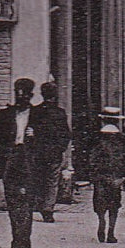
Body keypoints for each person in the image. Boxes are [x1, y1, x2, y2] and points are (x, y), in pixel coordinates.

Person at [0, 78, 61, 248]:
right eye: (18, 94)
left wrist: (36, 136)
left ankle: (25, 244)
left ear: (31, 95)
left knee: (26, 203)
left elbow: (53, 140)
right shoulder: (5, 115)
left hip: (31, 163)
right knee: (13, 203)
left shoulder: (41, 115)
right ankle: (17, 241)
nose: (21, 97)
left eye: (25, 94)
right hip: (10, 162)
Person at [31, 81, 72, 223]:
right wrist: (60, 149)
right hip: (53, 153)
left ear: (42, 94)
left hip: (38, 152)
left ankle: (40, 204)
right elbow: (66, 134)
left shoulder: (35, 111)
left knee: (39, 179)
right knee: (52, 181)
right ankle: (48, 209)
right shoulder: (60, 113)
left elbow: (30, 132)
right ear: (55, 95)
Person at [88, 106, 125, 243]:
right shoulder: (122, 139)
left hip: (101, 175)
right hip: (116, 175)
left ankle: (101, 222)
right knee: (114, 203)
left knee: (100, 201)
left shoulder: (97, 138)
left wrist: (92, 175)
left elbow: (92, 157)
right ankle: (111, 231)